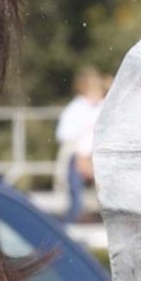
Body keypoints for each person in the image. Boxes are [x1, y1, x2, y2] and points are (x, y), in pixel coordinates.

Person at [55, 67, 107, 222]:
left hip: (95, 158)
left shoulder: (100, 106)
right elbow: (63, 134)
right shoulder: (77, 108)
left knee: (104, 200)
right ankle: (69, 229)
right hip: (79, 157)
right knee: (76, 201)